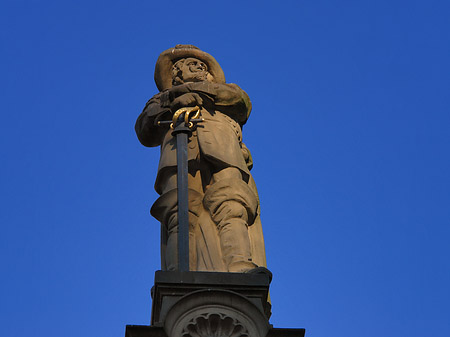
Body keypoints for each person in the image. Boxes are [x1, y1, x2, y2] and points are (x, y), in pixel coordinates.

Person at [135, 45, 267, 273]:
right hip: (177, 152)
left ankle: (240, 264)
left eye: (202, 65)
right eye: (191, 64)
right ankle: (178, 270)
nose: (199, 66)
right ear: (176, 72)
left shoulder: (224, 90)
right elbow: (144, 130)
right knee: (179, 210)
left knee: (232, 201)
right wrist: (173, 101)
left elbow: (240, 101)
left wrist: (200, 93)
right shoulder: (161, 98)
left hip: (223, 149)